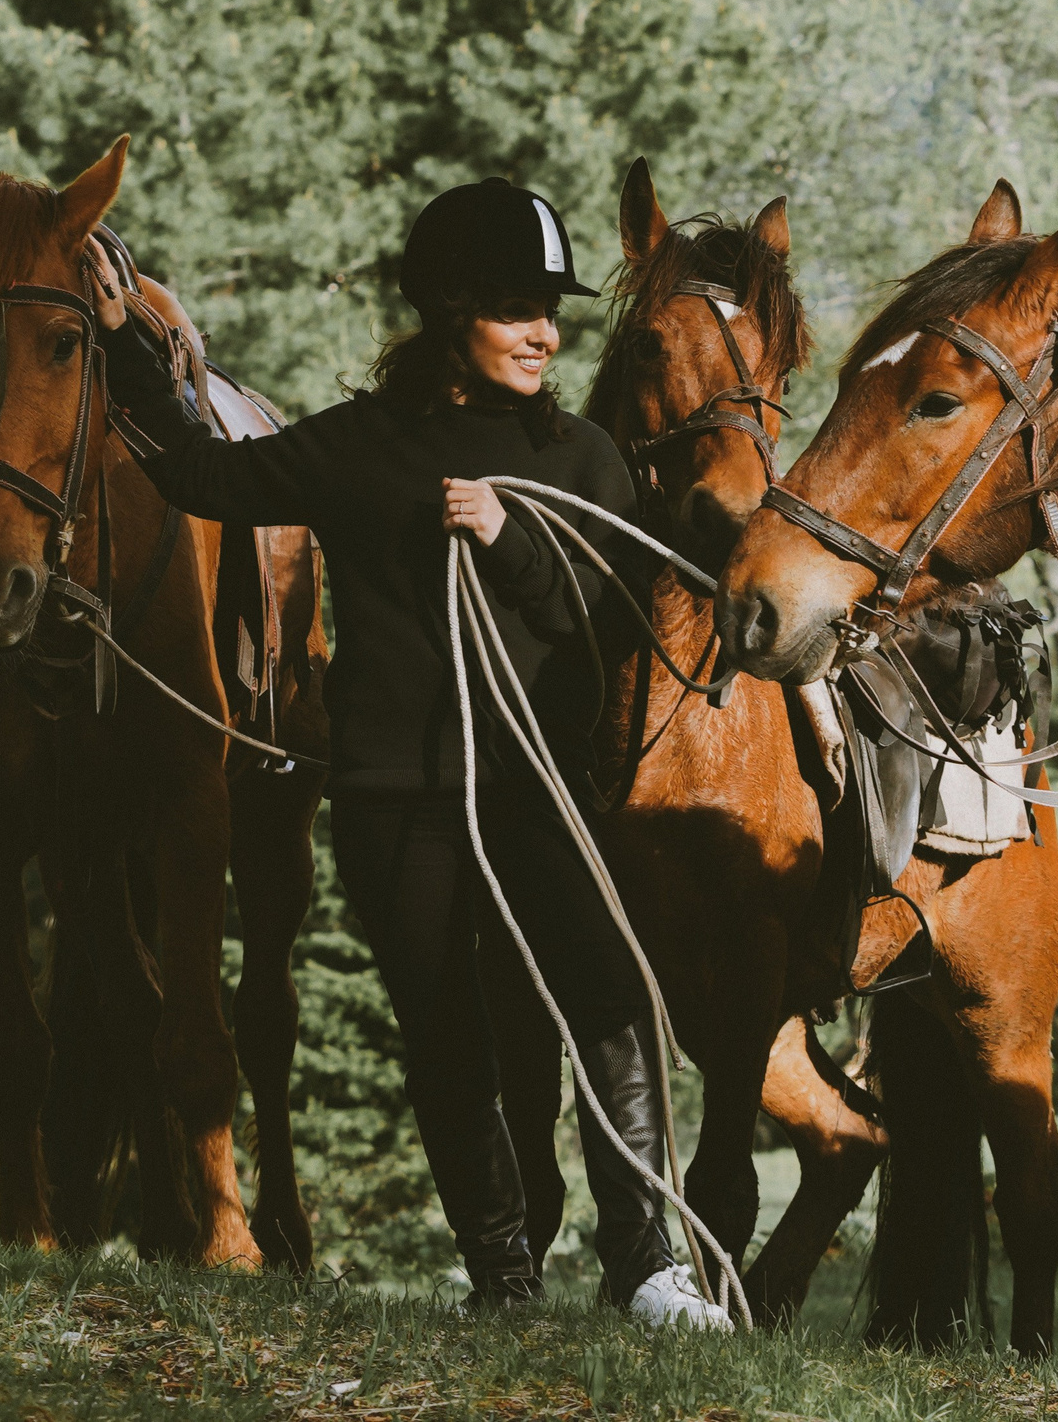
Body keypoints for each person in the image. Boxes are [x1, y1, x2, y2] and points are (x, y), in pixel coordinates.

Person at [95, 178, 725, 1328]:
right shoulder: (356, 447)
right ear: (448, 313)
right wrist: (123, 344)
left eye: (552, 308)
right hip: (397, 801)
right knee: (445, 1037)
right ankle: (504, 1279)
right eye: (514, 307)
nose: (544, 332)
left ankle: (647, 1268)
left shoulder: (588, 461)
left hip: (539, 788)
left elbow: (600, 621)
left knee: (611, 1004)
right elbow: (201, 475)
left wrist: (507, 537)